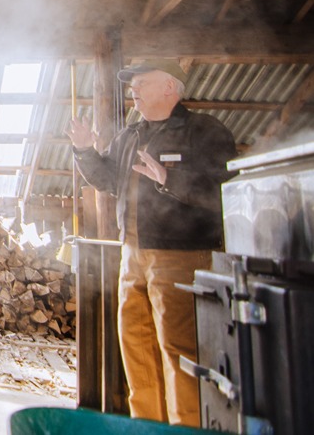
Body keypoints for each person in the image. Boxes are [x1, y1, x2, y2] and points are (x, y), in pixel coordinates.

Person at [65, 59, 237, 427]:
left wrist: (168, 178)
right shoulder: (130, 136)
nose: (134, 91)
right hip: (132, 255)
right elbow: (109, 180)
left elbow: (223, 192)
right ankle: (147, 427)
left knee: (179, 353)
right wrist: (84, 152)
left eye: (142, 83)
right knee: (137, 351)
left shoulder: (204, 132)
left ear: (169, 88)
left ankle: (186, 429)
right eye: (132, 85)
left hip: (181, 257)